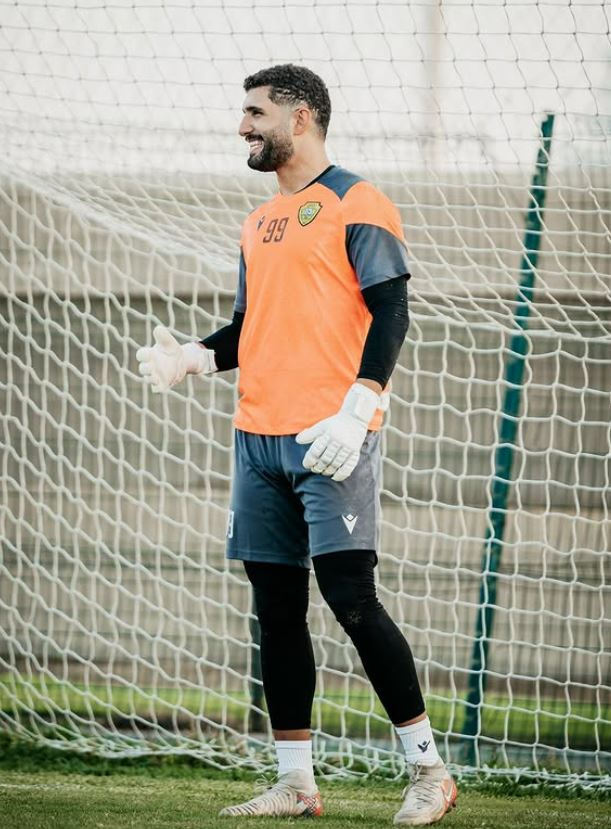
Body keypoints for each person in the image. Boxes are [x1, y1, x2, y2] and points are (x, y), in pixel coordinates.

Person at [136, 63, 457, 826]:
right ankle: (295, 782)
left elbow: (391, 311)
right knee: (276, 611)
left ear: (301, 116)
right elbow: (250, 328)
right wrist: (192, 357)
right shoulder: (258, 222)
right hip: (257, 440)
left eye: (255, 112)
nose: (241, 126)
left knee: (351, 601)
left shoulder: (358, 201)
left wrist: (359, 404)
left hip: (330, 438)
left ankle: (429, 772)